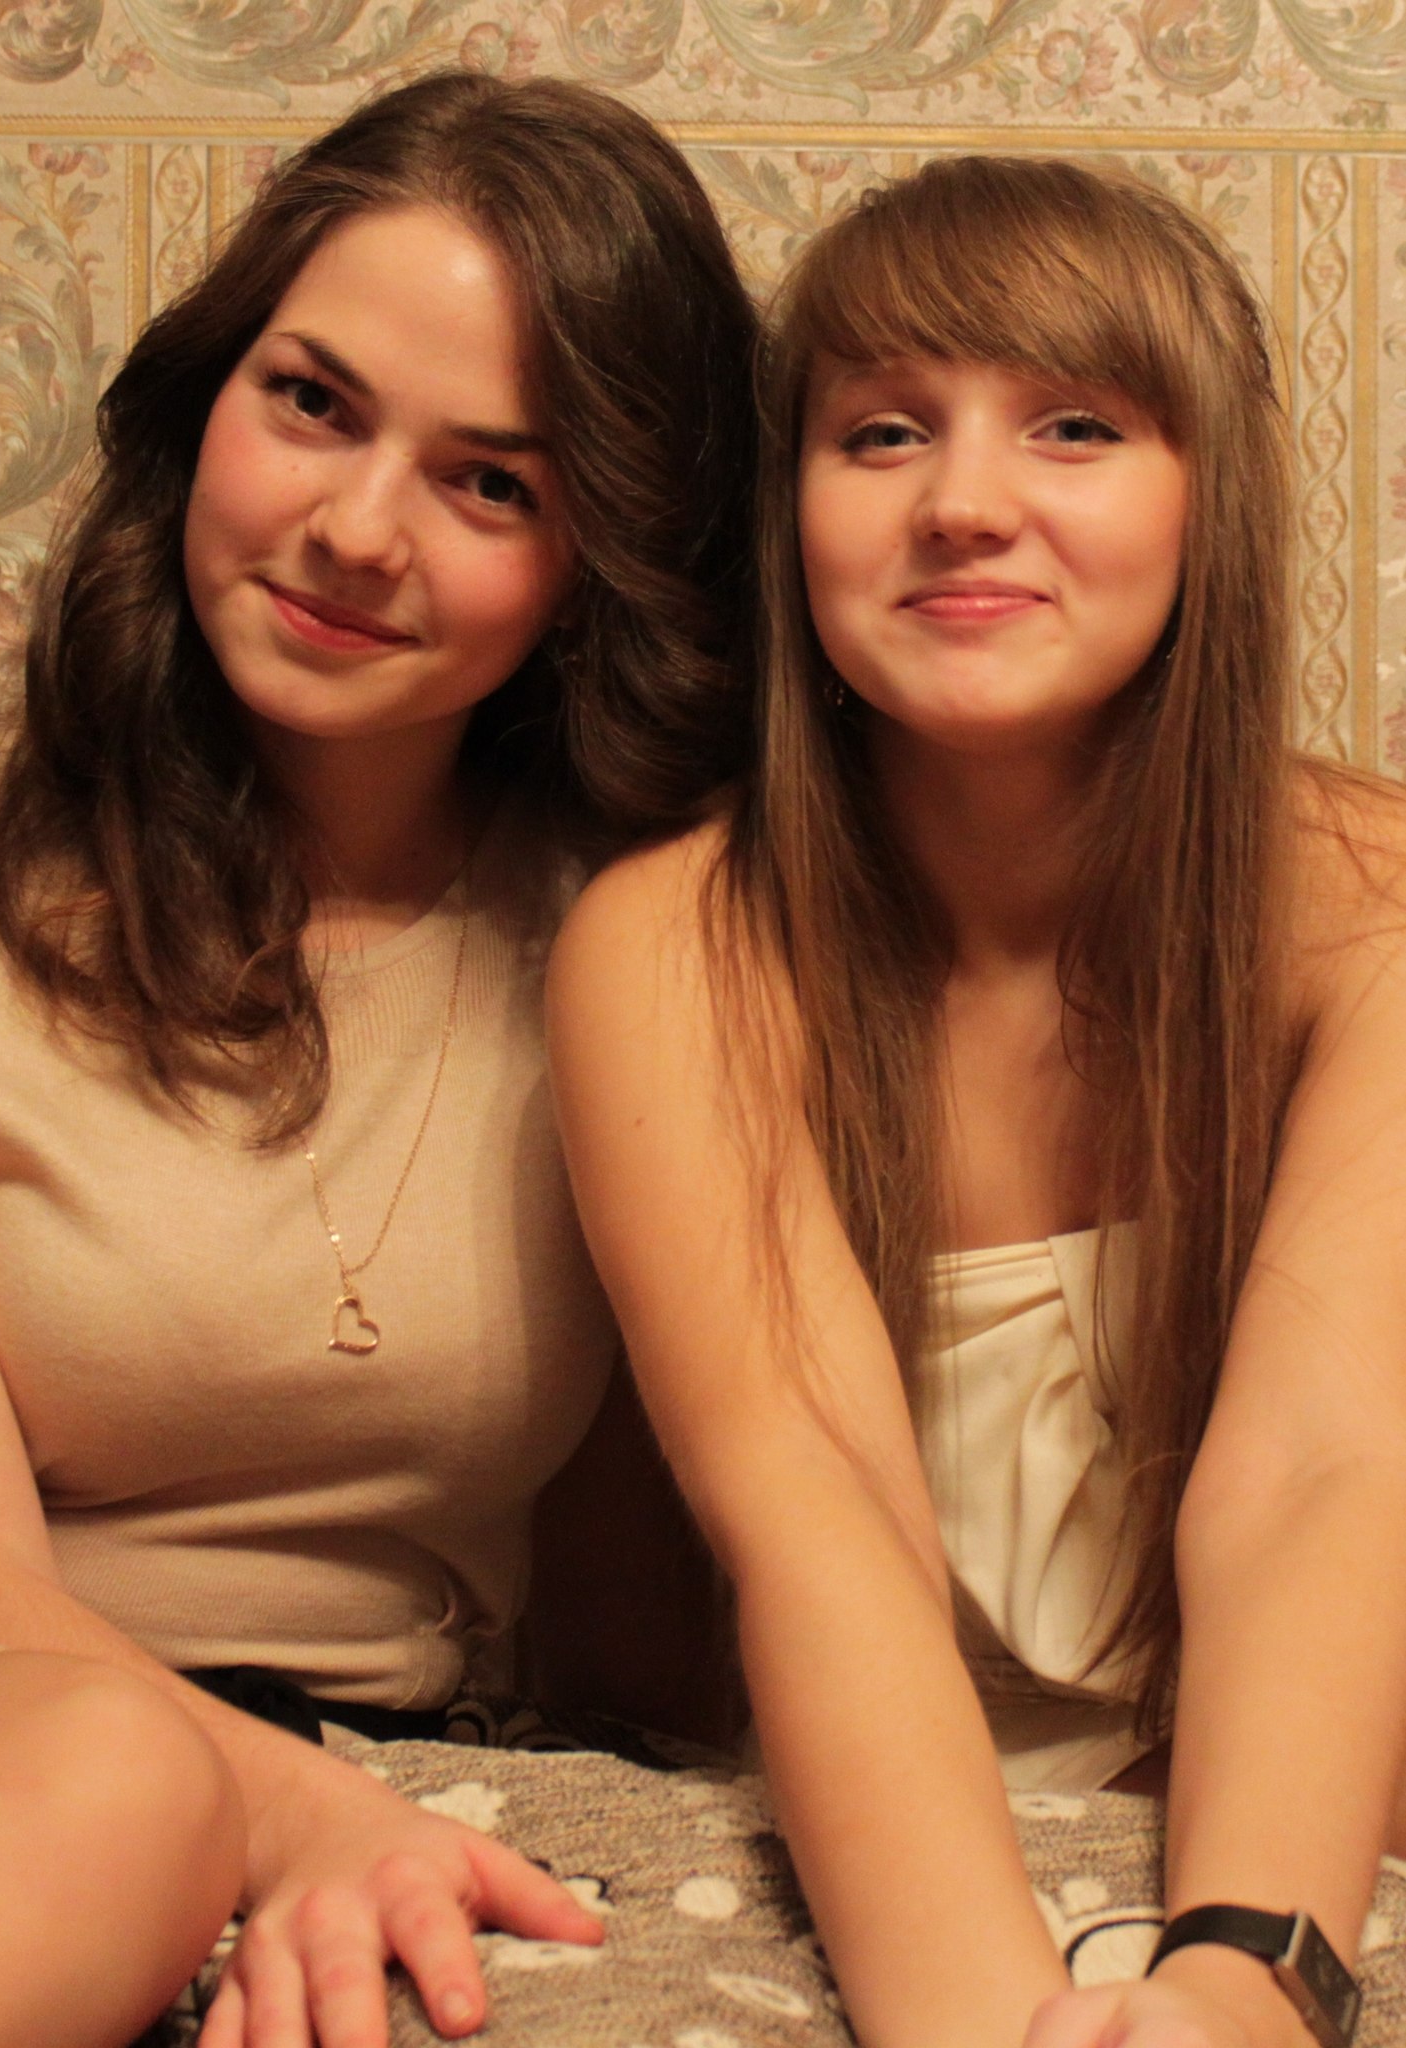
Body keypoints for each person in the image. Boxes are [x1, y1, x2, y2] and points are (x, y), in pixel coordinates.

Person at [0, 67, 756, 2048]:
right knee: (115, 1781)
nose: (355, 531)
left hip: (377, 1755)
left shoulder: (631, 947)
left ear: (602, 558)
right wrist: (284, 1809)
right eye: (310, 402)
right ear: (206, 395)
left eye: (492, 484)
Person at [548, 156, 1406, 2048]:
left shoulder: (1373, 910)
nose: (959, 501)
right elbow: (813, 1509)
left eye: (1074, 426)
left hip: (1283, 1793)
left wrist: (1242, 1985)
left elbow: (1322, 1475)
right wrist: (972, 2019)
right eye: (879, 432)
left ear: (1210, 500)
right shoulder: (673, 944)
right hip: (877, 1823)